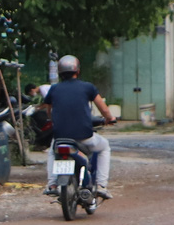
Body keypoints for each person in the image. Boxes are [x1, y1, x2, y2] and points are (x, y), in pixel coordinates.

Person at [43, 55, 118, 198]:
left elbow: (49, 112)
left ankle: (52, 184)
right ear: (77, 71)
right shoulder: (87, 87)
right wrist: (110, 118)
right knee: (104, 147)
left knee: (52, 152)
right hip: (84, 137)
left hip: (60, 137)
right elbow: (103, 109)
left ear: (60, 73)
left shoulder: (54, 89)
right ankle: (102, 185)